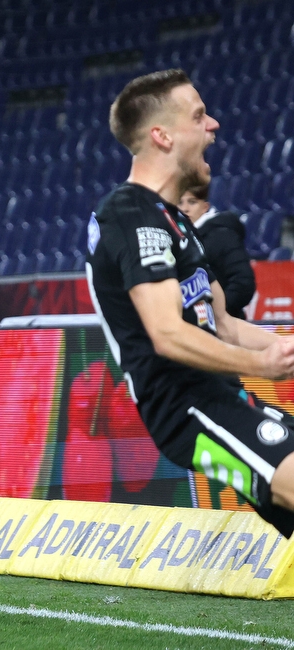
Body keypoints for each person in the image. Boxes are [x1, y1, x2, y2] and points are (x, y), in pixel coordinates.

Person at [87, 68, 294, 538]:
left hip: (226, 396)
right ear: (161, 136)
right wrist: (263, 364)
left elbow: (224, 324)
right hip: (188, 408)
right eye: (199, 115)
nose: (213, 125)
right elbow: (166, 332)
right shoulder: (129, 213)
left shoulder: (174, 220)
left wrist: (280, 348)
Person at [178, 183, 256, 319]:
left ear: (205, 207)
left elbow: (243, 283)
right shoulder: (176, 237)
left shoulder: (223, 235)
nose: (185, 209)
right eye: (180, 203)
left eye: (192, 202)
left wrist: (216, 314)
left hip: (225, 329)